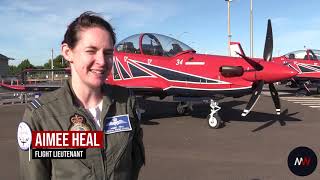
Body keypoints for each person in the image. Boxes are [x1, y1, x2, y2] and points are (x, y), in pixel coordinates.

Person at [17, 11, 145, 180]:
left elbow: (133, 167)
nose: (101, 61)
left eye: (107, 53)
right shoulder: (42, 116)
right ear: (68, 52)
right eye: (91, 51)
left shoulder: (126, 103)